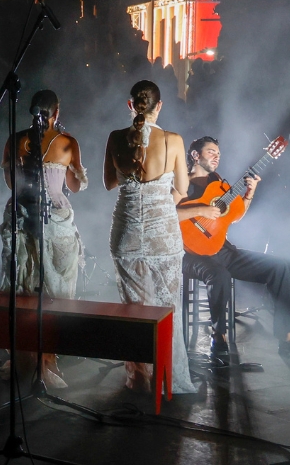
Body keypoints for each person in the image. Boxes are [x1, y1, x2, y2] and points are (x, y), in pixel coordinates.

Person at [103, 80, 195, 396]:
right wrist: (157, 203)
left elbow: (108, 182)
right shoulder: (173, 140)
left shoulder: (115, 138)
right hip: (163, 233)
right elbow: (182, 189)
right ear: (160, 106)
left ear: (131, 106)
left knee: (133, 306)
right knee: (168, 306)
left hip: (126, 230)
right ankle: (167, 378)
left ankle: (138, 377)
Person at [180, 136, 290, 358]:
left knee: (278, 267)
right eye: (211, 152)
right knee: (220, 275)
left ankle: (288, 336)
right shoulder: (181, 183)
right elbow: (164, 214)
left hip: (222, 249)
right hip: (191, 253)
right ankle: (219, 337)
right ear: (195, 155)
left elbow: (235, 215)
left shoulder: (218, 182)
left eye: (218, 153)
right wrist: (201, 211)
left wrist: (250, 192)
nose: (217, 157)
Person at [0, 89, 88, 387]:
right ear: (56, 112)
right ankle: (48, 358)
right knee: (56, 290)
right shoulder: (67, 142)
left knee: (24, 286)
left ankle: (26, 356)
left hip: (23, 217)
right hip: (55, 219)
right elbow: (73, 186)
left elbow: (11, 183)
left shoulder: (15, 140)